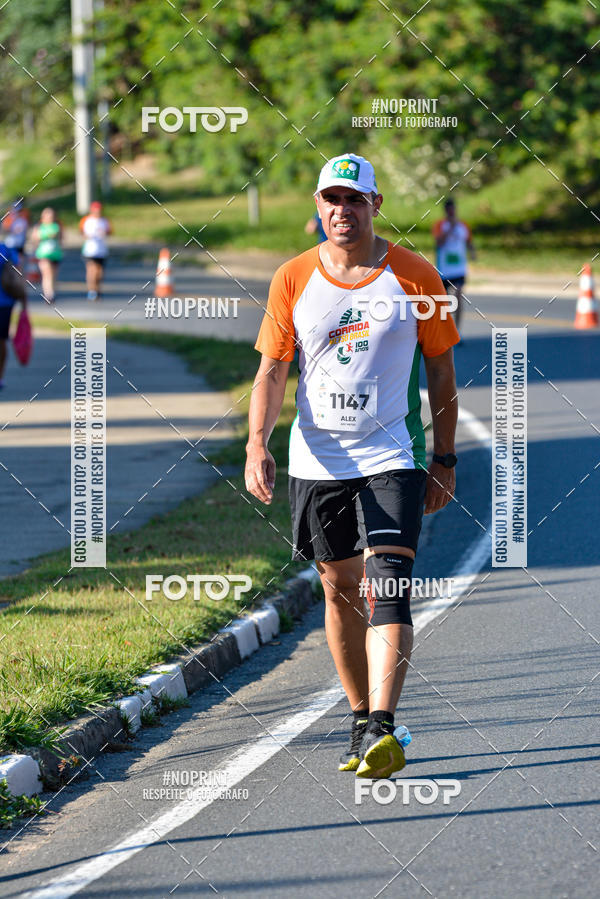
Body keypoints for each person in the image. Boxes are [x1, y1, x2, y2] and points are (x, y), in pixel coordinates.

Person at [245, 153, 459, 779]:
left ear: (376, 206)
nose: (343, 211)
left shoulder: (417, 276)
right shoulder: (291, 278)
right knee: (338, 594)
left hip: (393, 455)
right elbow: (272, 369)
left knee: (388, 587)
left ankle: (384, 729)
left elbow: (442, 370)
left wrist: (445, 457)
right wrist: (257, 443)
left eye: (355, 200)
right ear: (318, 208)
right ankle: (360, 719)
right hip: (318, 459)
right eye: (332, 200)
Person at [432, 198, 475, 332]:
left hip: (459, 268)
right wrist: (449, 228)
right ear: (445, 211)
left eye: (453, 210)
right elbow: (439, 242)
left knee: (458, 296)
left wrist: (472, 252)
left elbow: (468, 241)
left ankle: (458, 330)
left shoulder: (463, 225)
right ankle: (445, 330)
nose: (451, 212)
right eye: (448, 210)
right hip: (444, 269)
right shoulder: (440, 225)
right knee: (444, 301)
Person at [0, 243, 27, 389]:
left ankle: (0, 376)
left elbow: (18, 274)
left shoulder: (6, 250)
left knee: (1, 340)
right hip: (5, 302)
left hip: (4, 302)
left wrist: (23, 298)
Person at [79, 201, 111, 301]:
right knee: (92, 271)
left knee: (100, 272)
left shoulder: (104, 221)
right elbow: (82, 233)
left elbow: (109, 232)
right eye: (96, 210)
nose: (98, 212)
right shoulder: (86, 220)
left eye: (99, 210)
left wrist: (103, 234)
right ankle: (91, 291)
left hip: (101, 250)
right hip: (90, 250)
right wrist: (90, 236)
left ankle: (98, 289)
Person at [32, 207, 63, 304]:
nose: (50, 217)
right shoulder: (39, 227)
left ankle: (52, 292)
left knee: (54, 275)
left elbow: (61, 238)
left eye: (51, 216)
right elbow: (35, 239)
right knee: (47, 274)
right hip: (44, 254)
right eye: (48, 215)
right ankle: (49, 295)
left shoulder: (56, 226)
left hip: (55, 254)